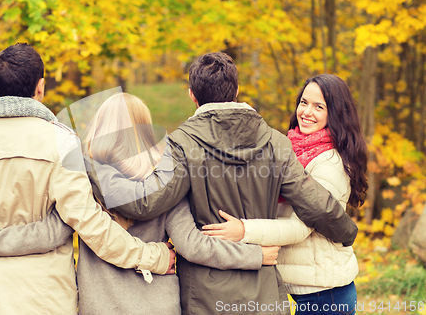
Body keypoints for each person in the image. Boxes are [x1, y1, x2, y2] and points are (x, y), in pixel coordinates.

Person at [90, 52, 360, 315]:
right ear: (237, 89)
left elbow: (145, 203)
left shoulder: (182, 145)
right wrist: (347, 233)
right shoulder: (276, 142)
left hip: (207, 296)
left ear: (192, 95)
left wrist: (90, 162)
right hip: (262, 290)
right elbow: (316, 204)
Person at [0, 93, 279, 314]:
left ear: (99, 127)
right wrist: (255, 255)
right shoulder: (168, 180)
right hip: (159, 305)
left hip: (99, 306)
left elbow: (50, 233)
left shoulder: (82, 180)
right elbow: (193, 245)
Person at [0, 43, 175, 315]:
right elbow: (91, 224)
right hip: (46, 298)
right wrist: (153, 257)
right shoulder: (61, 142)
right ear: (41, 86)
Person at [202, 74, 368, 315]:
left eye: (319, 107)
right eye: (303, 102)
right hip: (305, 288)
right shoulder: (290, 148)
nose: (307, 112)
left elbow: (300, 228)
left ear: (336, 113)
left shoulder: (329, 163)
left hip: (325, 293)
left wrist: (244, 230)